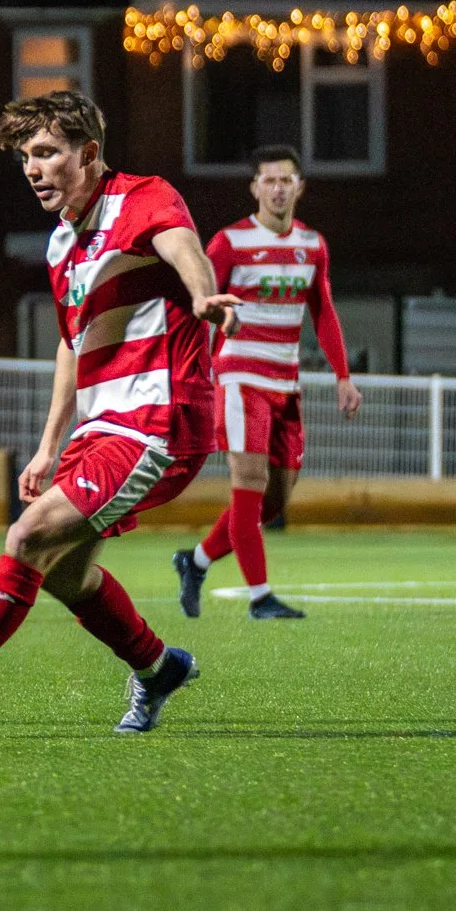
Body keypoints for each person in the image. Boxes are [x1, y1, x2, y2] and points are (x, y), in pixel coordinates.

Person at [0, 90, 236, 738]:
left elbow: (183, 248)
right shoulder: (61, 245)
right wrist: (47, 444)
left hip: (158, 421)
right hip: (101, 428)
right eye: (26, 155)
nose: (33, 168)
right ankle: (158, 666)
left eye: (47, 152)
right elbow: (71, 343)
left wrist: (202, 296)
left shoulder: (144, 198)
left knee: (26, 539)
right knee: (63, 571)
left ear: (87, 154)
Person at [173, 145, 361, 620]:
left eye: (286, 180)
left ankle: (193, 562)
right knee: (249, 482)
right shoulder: (230, 242)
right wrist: (214, 328)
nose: (277, 188)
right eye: (268, 180)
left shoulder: (313, 245)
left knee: (274, 500)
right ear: (254, 188)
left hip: (287, 383)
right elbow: (197, 303)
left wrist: (343, 376)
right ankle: (261, 599)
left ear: (300, 186)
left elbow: (324, 310)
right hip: (239, 377)